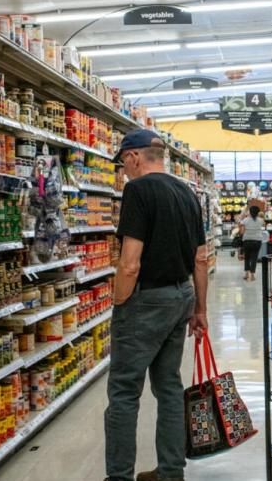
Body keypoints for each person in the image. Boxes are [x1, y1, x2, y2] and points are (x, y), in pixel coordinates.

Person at [105, 129, 208, 481]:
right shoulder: (187, 192)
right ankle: (170, 472)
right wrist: (200, 310)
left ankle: (118, 476)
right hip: (181, 297)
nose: (123, 172)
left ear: (133, 156)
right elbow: (200, 259)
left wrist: (120, 304)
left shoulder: (137, 190)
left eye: (122, 164)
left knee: (123, 391)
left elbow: (130, 262)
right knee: (168, 387)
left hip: (146, 300)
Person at [238, 205, 264, 281]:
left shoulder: (245, 220)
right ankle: (252, 275)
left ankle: (246, 274)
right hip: (257, 240)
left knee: (247, 258)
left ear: (250, 212)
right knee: (254, 257)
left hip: (247, 240)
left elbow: (242, 230)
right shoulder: (261, 220)